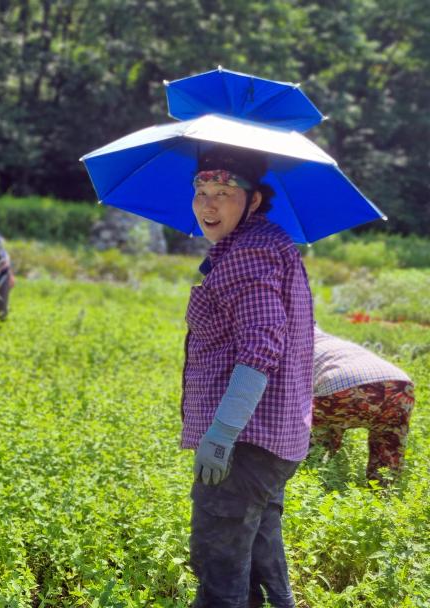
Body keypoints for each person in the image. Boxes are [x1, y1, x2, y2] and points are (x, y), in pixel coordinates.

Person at [181, 144, 313, 607]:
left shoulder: (248, 255)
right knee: (260, 557)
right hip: (274, 438)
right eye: (201, 191)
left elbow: (261, 348)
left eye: (224, 192)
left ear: (253, 200)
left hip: (245, 442)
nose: (209, 205)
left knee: (219, 565)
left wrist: (222, 432)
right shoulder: (269, 243)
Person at [311, 326, 415, 483]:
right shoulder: (335, 342)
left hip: (347, 387)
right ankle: (383, 494)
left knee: (316, 429)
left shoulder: (299, 345)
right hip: (399, 385)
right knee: (389, 439)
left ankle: (314, 475)